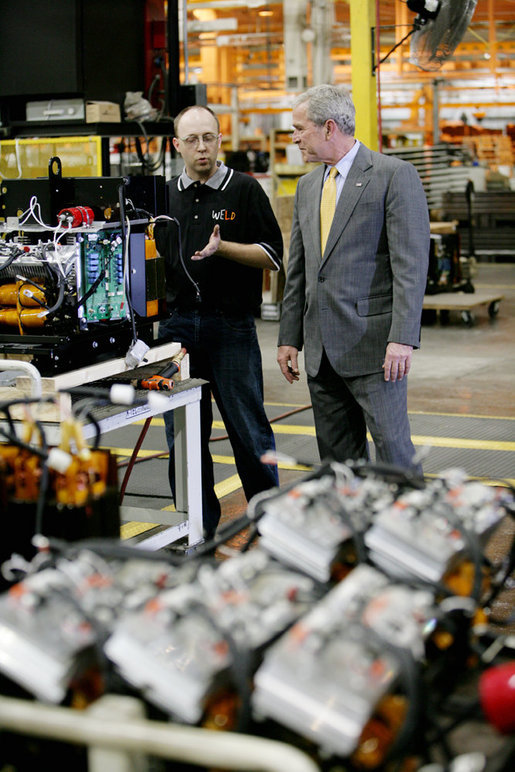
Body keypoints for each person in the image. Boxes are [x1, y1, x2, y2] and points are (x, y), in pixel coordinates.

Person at [277, 84, 430, 474]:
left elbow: (411, 267)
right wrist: (289, 337)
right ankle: (352, 533)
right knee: (340, 465)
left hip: (375, 349)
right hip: (321, 353)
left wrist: (403, 338)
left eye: (299, 129)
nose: (293, 138)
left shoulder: (393, 176)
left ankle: (410, 531)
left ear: (329, 128)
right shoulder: (308, 186)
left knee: (394, 454)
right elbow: (300, 269)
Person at [155, 104, 283, 541]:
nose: (201, 147)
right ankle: (197, 529)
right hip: (175, 334)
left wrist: (224, 248)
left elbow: (274, 257)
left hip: (230, 328)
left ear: (220, 139)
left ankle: (270, 529)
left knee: (249, 432)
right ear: (177, 146)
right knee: (184, 438)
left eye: (208, 137)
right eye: (191, 140)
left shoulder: (244, 191)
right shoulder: (164, 196)